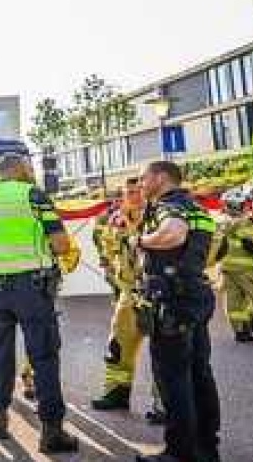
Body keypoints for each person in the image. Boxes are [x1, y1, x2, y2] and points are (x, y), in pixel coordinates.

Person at [0, 153, 79, 453]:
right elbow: (61, 243)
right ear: (21, 169)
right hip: (32, 288)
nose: (33, 172)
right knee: (44, 356)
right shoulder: (34, 196)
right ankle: (51, 432)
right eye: (30, 168)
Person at [134, 161, 221, 462]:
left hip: (172, 301)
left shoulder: (168, 205)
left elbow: (173, 233)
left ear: (160, 178)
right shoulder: (198, 208)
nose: (142, 184)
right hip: (195, 294)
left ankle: (179, 453)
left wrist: (141, 240)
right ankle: (206, 447)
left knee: (173, 378)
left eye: (144, 179)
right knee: (200, 374)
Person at [91, 177, 165, 424]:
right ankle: (116, 394)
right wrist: (117, 277)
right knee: (118, 348)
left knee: (164, 351)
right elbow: (109, 251)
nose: (133, 196)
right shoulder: (115, 221)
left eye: (137, 191)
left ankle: (164, 405)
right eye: (128, 192)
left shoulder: (161, 217)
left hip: (158, 294)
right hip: (128, 293)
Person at [214, 195, 253, 343]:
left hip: (250, 270)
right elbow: (221, 238)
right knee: (236, 301)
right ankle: (241, 330)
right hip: (237, 270)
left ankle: (251, 325)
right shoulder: (239, 223)